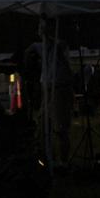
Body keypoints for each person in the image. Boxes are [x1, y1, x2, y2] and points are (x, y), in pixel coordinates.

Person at [26, 20, 75, 165]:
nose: (41, 30)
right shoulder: (38, 46)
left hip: (60, 88)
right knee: (42, 126)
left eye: (43, 27)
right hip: (46, 89)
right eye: (40, 27)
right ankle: (47, 157)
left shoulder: (60, 45)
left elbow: (61, 54)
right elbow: (29, 51)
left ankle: (64, 161)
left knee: (60, 127)